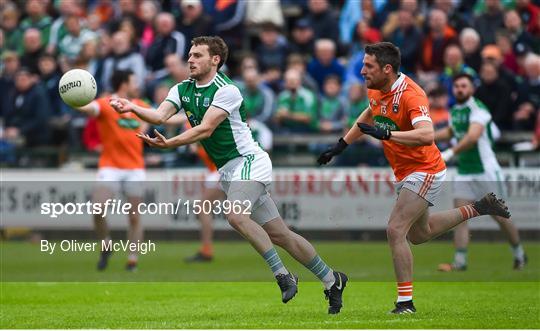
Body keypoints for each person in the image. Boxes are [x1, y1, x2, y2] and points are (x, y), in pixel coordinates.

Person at [110, 36, 348, 314]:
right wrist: (132, 107)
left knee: (234, 215)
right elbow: (160, 116)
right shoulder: (182, 88)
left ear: (215, 60)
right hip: (229, 170)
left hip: (249, 161)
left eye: (197, 55)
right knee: (282, 235)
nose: (190, 60)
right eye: (190, 54)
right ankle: (333, 280)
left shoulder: (227, 90)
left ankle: (283, 275)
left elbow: (205, 129)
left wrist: (170, 143)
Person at [317, 42, 510, 314]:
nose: (362, 71)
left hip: (425, 168)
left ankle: (405, 302)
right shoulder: (375, 87)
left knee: (395, 230)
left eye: (368, 66)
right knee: (421, 234)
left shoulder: (412, 95)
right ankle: (478, 208)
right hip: (404, 171)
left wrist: (387, 135)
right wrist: (341, 144)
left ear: (387, 68)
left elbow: (427, 135)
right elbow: (371, 111)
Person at [435, 73, 527, 272]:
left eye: (464, 86)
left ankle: (519, 254)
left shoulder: (478, 109)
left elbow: (472, 137)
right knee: (459, 216)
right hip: (465, 171)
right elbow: (451, 132)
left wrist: (450, 152)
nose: (460, 89)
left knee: (500, 217)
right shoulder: (456, 109)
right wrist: (426, 137)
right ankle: (460, 261)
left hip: (485, 171)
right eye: (457, 86)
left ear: (471, 89)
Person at [73, 69, 149, 272]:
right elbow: (89, 109)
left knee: (134, 216)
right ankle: (106, 244)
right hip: (110, 166)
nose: (137, 85)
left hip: (135, 168)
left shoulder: (140, 105)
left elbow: (161, 119)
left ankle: (133, 259)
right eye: (134, 81)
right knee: (98, 208)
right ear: (124, 84)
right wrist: (73, 98)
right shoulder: (106, 103)